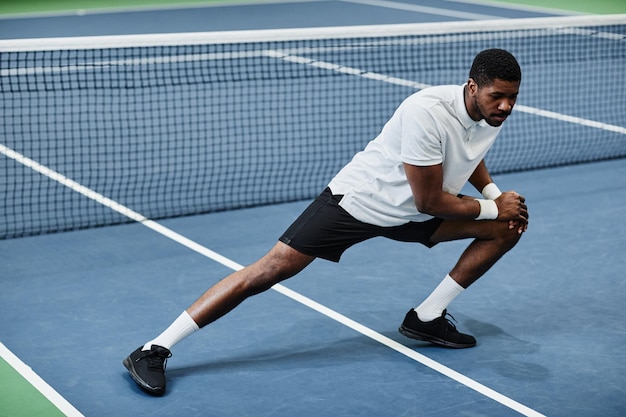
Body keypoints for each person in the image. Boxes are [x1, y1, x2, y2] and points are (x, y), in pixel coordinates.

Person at [123, 48, 528, 396]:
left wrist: (493, 195)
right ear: (472, 87)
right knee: (266, 272)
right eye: (498, 97)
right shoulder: (427, 112)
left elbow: (468, 152)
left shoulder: (487, 113)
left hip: (411, 213)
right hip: (357, 205)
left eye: (512, 98)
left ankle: (426, 319)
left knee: (507, 227)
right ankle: (153, 349)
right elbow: (430, 199)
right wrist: (495, 207)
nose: (506, 107)